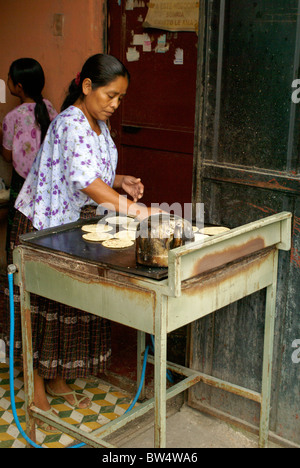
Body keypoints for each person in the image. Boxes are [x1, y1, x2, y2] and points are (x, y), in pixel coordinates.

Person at [13, 53, 160, 432]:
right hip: (41, 224)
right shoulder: (70, 123)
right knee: (43, 303)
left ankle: (58, 377)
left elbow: (92, 172)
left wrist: (121, 180)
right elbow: (84, 181)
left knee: (67, 300)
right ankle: (35, 388)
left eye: (120, 98)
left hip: (69, 224)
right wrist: (133, 209)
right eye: (110, 95)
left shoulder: (97, 125)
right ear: (87, 87)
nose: (114, 104)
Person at [0, 58, 57, 257]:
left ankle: (14, 278)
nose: (7, 82)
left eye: (9, 78)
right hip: (48, 182)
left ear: (19, 87)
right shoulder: (49, 108)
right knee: (43, 233)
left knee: (18, 233)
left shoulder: (12, 117)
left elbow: (7, 157)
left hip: (22, 183)